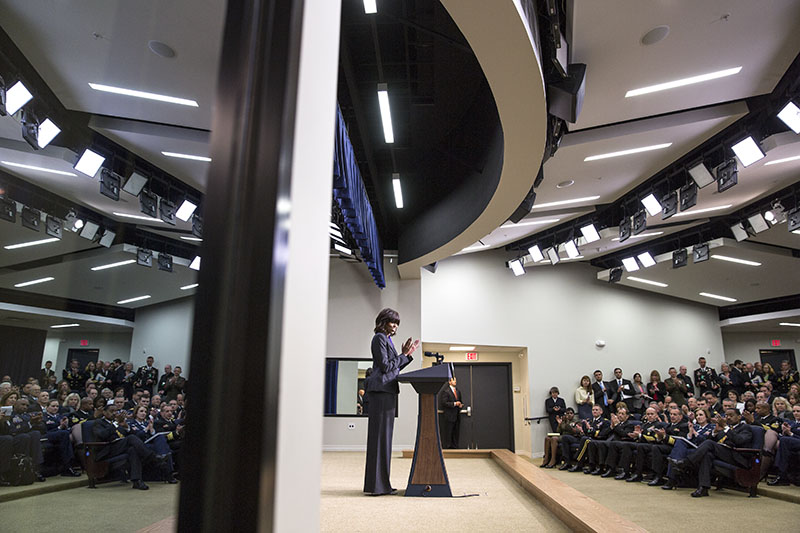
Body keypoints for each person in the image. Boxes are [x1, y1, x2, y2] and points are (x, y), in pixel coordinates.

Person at [363, 308, 418, 496]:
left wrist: (406, 355)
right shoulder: (379, 338)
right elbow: (386, 366)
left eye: (397, 323)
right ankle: (377, 486)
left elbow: (393, 365)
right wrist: (402, 356)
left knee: (384, 439)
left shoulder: (387, 340)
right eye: (392, 322)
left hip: (387, 391)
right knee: (379, 439)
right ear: (383, 322)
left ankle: (381, 484)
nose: (395, 326)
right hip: (381, 391)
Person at [670, 408, 753, 497]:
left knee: (709, 444)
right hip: (723, 452)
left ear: (739, 417)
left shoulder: (745, 427)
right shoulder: (724, 428)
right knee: (707, 455)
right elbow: (706, 442)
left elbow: (739, 441)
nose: (728, 418)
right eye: (726, 416)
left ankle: (686, 463)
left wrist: (725, 427)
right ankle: (703, 488)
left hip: (736, 456)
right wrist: (715, 432)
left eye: (731, 416)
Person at [92, 405, 167, 490]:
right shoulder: (98, 422)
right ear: (104, 412)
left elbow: (135, 436)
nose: (114, 413)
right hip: (107, 449)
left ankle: (137, 481)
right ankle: (153, 458)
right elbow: (102, 435)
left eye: (116, 411)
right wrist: (116, 423)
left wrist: (126, 427)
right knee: (131, 438)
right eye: (111, 411)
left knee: (133, 450)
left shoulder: (119, 422)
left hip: (119, 447)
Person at [129, 405, 177, 483]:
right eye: (141, 411)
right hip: (140, 446)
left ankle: (168, 471)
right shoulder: (131, 423)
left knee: (163, 442)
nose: (143, 413)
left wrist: (151, 429)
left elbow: (152, 435)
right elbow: (135, 436)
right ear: (136, 413)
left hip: (149, 443)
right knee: (164, 448)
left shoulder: (146, 422)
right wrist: (147, 429)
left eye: (145, 412)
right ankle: (168, 473)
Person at [767, 403, 800, 486]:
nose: (795, 413)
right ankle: (782, 474)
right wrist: (787, 431)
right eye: (794, 411)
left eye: (798, 411)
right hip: (794, 444)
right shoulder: (793, 423)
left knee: (784, 441)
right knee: (783, 441)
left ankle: (781, 474)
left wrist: (790, 433)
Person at [439, 376, 463, 448]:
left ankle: (455, 447)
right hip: (449, 416)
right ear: (449, 382)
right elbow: (444, 403)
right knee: (449, 432)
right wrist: (454, 404)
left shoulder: (458, 391)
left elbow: (460, 401)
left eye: (455, 380)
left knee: (456, 433)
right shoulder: (446, 391)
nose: (455, 381)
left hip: (457, 415)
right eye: (453, 380)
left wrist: (460, 404)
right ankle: (448, 448)